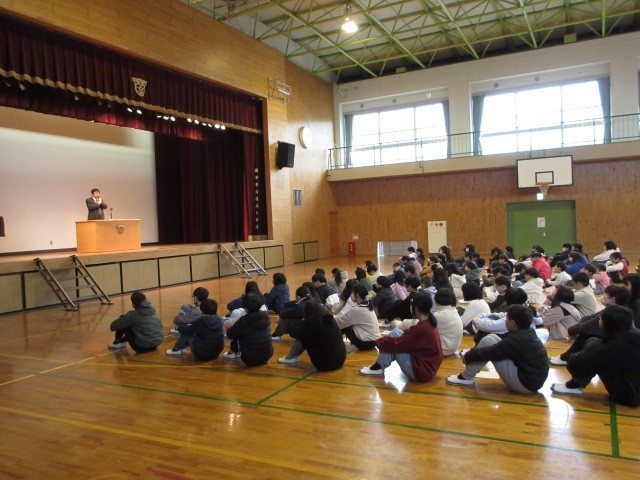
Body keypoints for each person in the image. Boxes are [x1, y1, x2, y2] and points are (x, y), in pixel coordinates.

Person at [446, 305, 549, 393]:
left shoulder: (518, 338)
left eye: (506, 318)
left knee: (489, 344)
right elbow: (500, 346)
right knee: (490, 338)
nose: (505, 321)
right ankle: (467, 376)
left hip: (525, 384)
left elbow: (491, 352)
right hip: (531, 381)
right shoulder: (527, 331)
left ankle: (466, 377)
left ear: (513, 323)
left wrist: (468, 356)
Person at [551, 305, 640, 406]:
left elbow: (576, 366)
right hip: (633, 387)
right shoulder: (631, 334)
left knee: (595, 352)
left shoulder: (617, 345)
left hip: (629, 395)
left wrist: (573, 357)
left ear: (609, 323)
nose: (599, 319)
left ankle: (573, 386)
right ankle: (574, 385)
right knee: (593, 342)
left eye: (601, 318)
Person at [359, 293, 443, 382]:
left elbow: (398, 344)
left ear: (416, 309)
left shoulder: (421, 328)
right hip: (428, 369)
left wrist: (378, 342)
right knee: (396, 333)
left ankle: (378, 367)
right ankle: (379, 366)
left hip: (420, 372)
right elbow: (407, 335)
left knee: (394, 342)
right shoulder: (430, 322)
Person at [549, 285, 629, 367]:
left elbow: (592, 324)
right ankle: (569, 356)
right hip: (611, 338)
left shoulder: (614, 313)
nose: (603, 296)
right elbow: (590, 318)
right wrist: (576, 328)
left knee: (587, 337)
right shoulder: (616, 309)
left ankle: (570, 359)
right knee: (584, 332)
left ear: (612, 299)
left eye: (605, 294)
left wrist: (572, 330)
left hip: (615, 343)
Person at [277, 300, 347, 371]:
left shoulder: (312, 322)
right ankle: (290, 357)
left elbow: (293, 333)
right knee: (306, 334)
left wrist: (303, 321)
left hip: (325, 365)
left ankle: (290, 358)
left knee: (302, 335)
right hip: (340, 361)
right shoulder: (329, 318)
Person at [226, 292, 273, 366]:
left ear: (245, 307)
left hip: (249, 358)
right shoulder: (266, 315)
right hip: (268, 355)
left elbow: (230, 334)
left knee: (237, 332)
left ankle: (234, 351)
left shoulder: (244, 320)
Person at [334, 284, 381, 350]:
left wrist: (331, 317)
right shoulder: (367, 304)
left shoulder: (357, 309)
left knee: (344, 326)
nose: (351, 295)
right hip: (373, 341)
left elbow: (340, 321)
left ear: (357, 295)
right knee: (346, 323)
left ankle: (333, 347)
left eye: (352, 293)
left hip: (366, 344)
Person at [432, 288, 463, 356]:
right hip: (452, 348)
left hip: (444, 349)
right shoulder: (452, 310)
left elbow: (423, 324)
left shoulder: (440, 315)